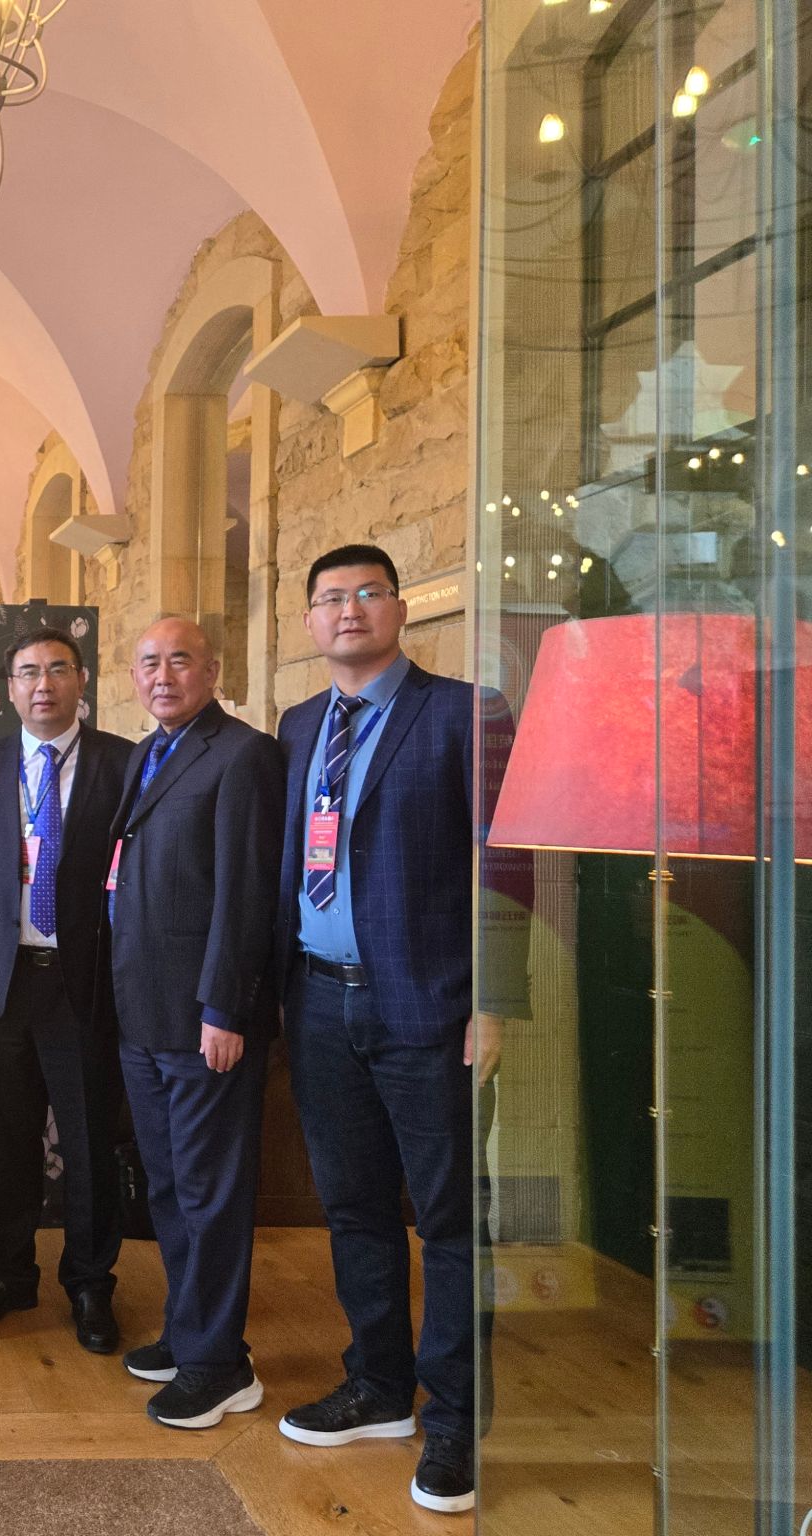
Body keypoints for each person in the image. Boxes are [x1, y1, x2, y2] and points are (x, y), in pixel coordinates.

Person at [272, 544, 528, 1515]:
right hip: (318, 1000)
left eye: (367, 594)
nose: (348, 610)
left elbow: (506, 861)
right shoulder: (299, 725)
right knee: (353, 1207)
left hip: (430, 1006)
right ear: (310, 621)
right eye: (330, 598)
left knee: (450, 1219)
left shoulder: (466, 712)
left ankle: (454, 1420)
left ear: (399, 608)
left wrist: (494, 999)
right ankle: (377, 1384)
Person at [102, 618, 282, 1430]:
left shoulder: (242, 755)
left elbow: (246, 893)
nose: (163, 675)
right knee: (171, 1188)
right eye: (149, 663)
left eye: (180, 660)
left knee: (211, 1193)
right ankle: (188, 1333)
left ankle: (219, 1367)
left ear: (213, 670)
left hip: (204, 1020)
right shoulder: (149, 752)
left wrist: (226, 1008)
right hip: (143, 1014)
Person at [0, 626, 135, 1354]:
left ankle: (91, 1282)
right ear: (8, 689)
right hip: (4, 986)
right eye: (29, 672)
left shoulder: (124, 764)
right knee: (10, 1140)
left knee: (91, 1140)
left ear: (81, 681)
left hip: (83, 984)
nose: (44, 684)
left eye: (58, 669)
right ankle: (11, 1272)